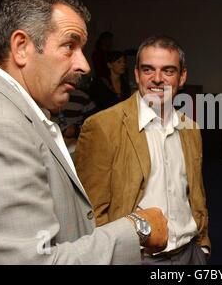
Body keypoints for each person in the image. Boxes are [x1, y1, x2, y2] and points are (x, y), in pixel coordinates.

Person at [0, 0, 167, 264]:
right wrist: (137, 228)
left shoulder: (22, 111)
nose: (84, 65)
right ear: (21, 47)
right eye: (69, 46)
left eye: (82, 49)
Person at [74, 35, 210, 265]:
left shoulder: (191, 129)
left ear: (182, 77)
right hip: (138, 258)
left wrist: (203, 246)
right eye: (148, 70)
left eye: (168, 71)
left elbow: (195, 193)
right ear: (136, 74)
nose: (157, 79)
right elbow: (90, 213)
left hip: (191, 254)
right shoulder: (103, 127)